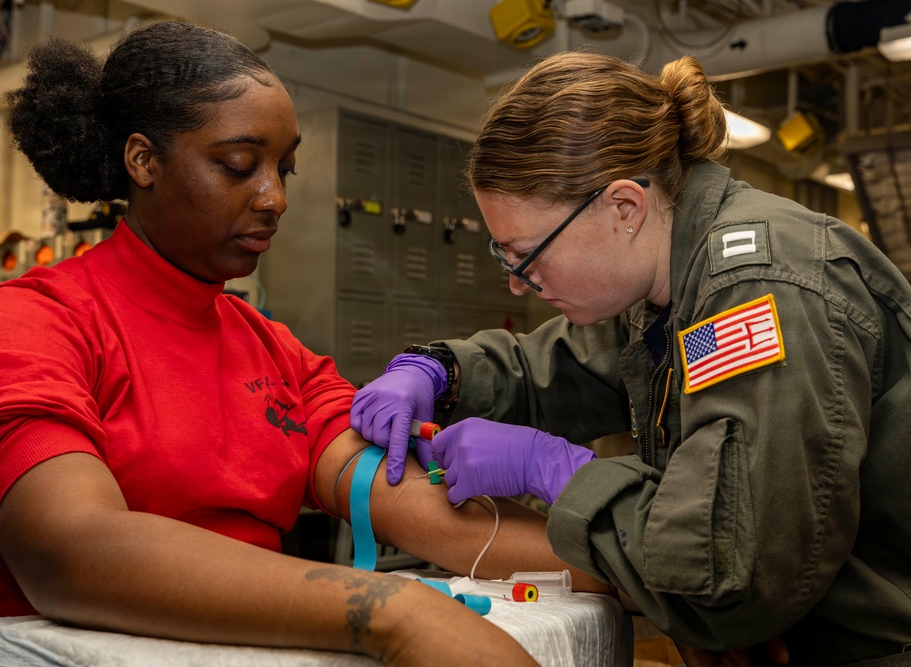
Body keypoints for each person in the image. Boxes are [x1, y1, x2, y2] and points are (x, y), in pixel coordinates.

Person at [0, 21, 615, 666]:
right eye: (238, 165)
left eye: (283, 169)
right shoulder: (31, 324)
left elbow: (406, 500)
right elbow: (71, 551)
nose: (274, 198)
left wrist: (628, 568)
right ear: (144, 160)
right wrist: (390, 608)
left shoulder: (273, 350)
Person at [350, 50, 911, 666]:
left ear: (624, 208)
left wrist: (557, 471)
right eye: (503, 256)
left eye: (527, 255)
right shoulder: (673, 284)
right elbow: (558, 367)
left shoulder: (761, 288)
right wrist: (440, 372)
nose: (516, 282)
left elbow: (728, 574)